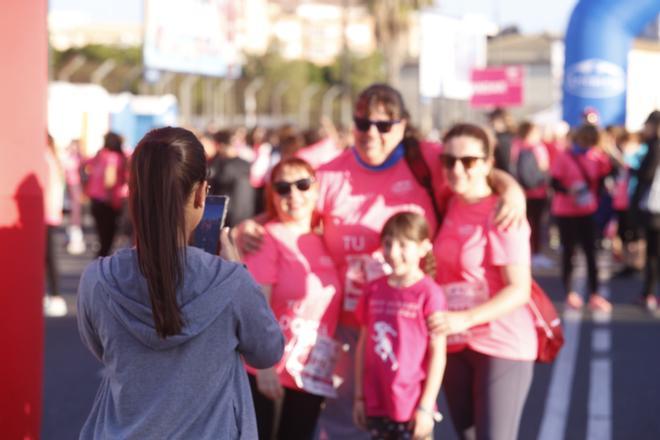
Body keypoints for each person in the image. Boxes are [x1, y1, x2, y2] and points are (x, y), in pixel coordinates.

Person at [237, 83, 526, 439]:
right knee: (349, 428)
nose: (371, 133)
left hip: (411, 326)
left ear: (402, 127)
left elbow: (475, 167)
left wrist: (511, 189)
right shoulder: (330, 175)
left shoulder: (428, 162)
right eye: (362, 124)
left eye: (383, 126)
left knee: (408, 426)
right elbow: (291, 208)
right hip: (350, 328)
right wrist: (252, 225)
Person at [76, 127, 284, 439]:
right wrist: (235, 268)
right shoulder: (230, 281)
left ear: (132, 192)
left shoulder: (98, 279)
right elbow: (268, 351)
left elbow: (102, 349)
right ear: (201, 193)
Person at [427, 123, 536, 440]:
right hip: (456, 343)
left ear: (488, 164)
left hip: (501, 343)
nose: (457, 169)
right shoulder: (448, 200)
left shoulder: (504, 212)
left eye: (469, 161)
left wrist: (465, 318)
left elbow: (519, 289)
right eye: (449, 161)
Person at [242, 157, 342, 440]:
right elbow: (255, 309)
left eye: (302, 184)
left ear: (316, 189)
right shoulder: (266, 238)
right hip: (271, 373)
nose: (293, 195)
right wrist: (263, 367)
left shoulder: (326, 237)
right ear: (272, 195)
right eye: (283, 188)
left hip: (310, 374)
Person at [353, 212, 447, 440]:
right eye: (388, 244)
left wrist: (426, 407)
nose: (393, 253)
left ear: (424, 248)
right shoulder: (373, 289)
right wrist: (358, 397)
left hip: (412, 407)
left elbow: (438, 354)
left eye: (403, 245)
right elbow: (363, 346)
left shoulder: (429, 293)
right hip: (376, 401)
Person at [550, 123, 613, 312]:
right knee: (569, 251)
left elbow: (604, 181)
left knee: (591, 252)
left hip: (587, 210)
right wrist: (570, 190)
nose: (587, 145)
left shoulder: (599, 157)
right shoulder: (564, 157)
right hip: (565, 211)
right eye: (585, 141)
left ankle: (595, 294)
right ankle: (570, 293)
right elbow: (554, 183)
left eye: (591, 142)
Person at [511, 121, 552, 268]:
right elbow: (544, 167)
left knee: (523, 224)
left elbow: (512, 167)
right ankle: (536, 253)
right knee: (536, 224)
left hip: (521, 192)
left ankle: (525, 253)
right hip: (537, 192)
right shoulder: (538, 148)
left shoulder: (516, 145)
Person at [632, 110, 660, 310]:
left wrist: (633, 169)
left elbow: (647, 174)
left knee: (653, 253)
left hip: (655, 210)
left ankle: (649, 293)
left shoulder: (655, 147)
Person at [84, 131, 127, 257]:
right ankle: (100, 267)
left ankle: (98, 264)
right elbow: (110, 179)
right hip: (108, 202)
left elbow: (85, 166)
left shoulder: (100, 155)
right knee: (107, 239)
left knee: (102, 236)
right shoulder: (114, 157)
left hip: (95, 199)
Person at [207, 128, 256, 227]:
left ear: (220, 145)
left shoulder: (224, 166)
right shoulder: (245, 164)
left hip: (228, 217)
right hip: (242, 215)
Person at [44, 133, 67, 317]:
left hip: (45, 215)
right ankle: (54, 295)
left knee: (49, 257)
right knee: (48, 257)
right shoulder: (53, 159)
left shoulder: (45, 159)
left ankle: (56, 295)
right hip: (51, 214)